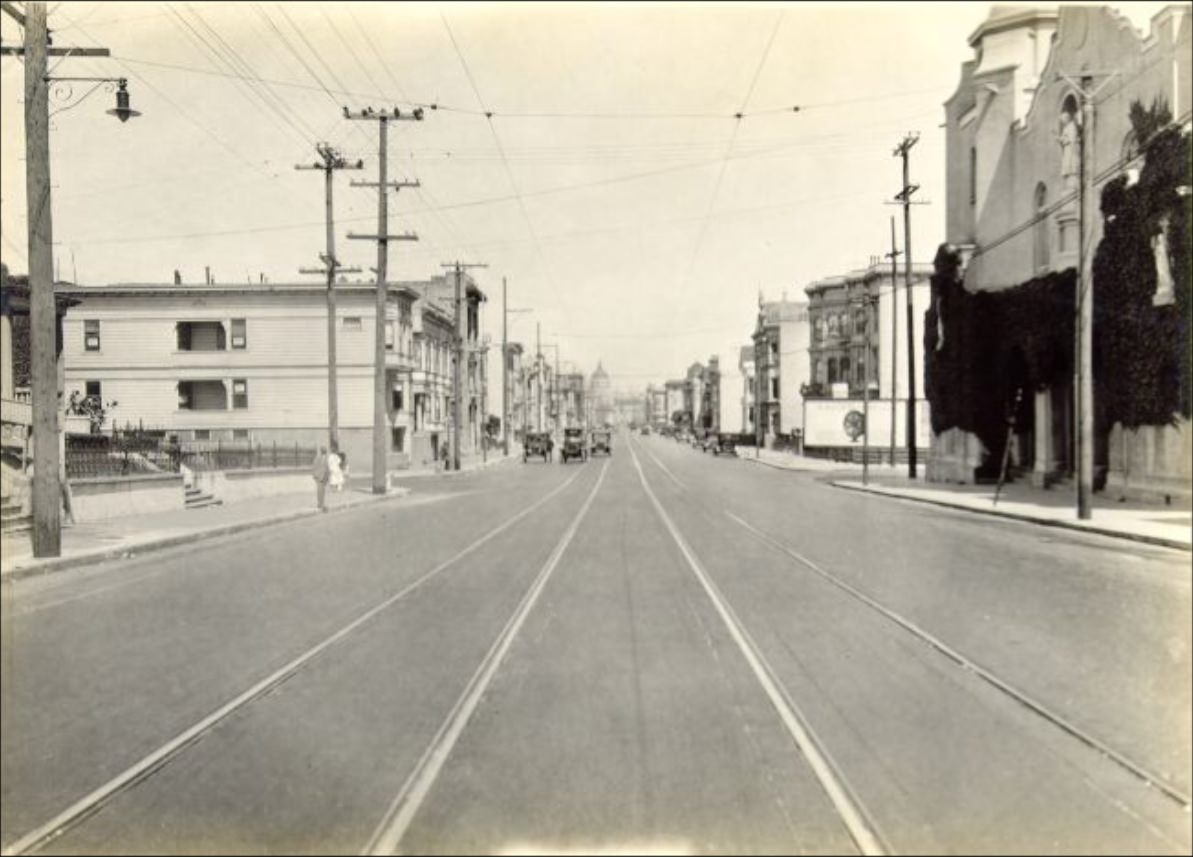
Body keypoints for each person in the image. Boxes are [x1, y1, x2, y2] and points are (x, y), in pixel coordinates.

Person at [311, 445, 330, 512]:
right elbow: (314, 467)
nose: (324, 452)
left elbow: (327, 468)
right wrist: (315, 475)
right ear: (322, 451)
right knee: (319, 490)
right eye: (323, 450)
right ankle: (320, 504)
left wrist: (327, 477)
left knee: (322, 491)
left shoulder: (326, 459)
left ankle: (322, 503)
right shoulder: (317, 458)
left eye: (325, 450)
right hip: (319, 477)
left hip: (324, 477)